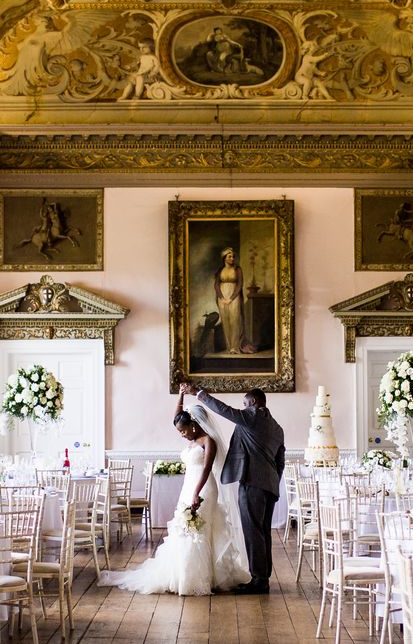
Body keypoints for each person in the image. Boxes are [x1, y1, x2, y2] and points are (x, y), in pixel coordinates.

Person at [98, 387, 251, 595]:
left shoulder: (208, 442)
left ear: (194, 425)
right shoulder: (191, 437)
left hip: (204, 487)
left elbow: (206, 470)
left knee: (199, 530)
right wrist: (180, 395)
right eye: (179, 430)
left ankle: (199, 578)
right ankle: (182, 574)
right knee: (183, 529)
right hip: (188, 487)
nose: (181, 434)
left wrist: (197, 493)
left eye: (183, 430)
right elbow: (177, 418)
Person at [180, 384, 285, 594]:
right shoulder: (276, 427)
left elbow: (224, 410)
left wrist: (198, 394)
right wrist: (273, 481)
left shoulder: (253, 416)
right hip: (270, 485)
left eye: (245, 404)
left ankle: (258, 581)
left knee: (252, 531)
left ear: (254, 402)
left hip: (253, 482)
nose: (243, 408)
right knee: (263, 532)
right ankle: (263, 577)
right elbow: (280, 461)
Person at [214, 246, 244, 354]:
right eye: (229, 256)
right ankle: (228, 346)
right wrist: (222, 297)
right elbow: (216, 285)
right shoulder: (220, 270)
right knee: (225, 321)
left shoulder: (237, 269)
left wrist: (231, 298)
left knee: (235, 320)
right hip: (222, 297)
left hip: (234, 296)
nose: (232, 258)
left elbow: (240, 284)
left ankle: (234, 347)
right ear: (224, 258)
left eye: (233, 256)